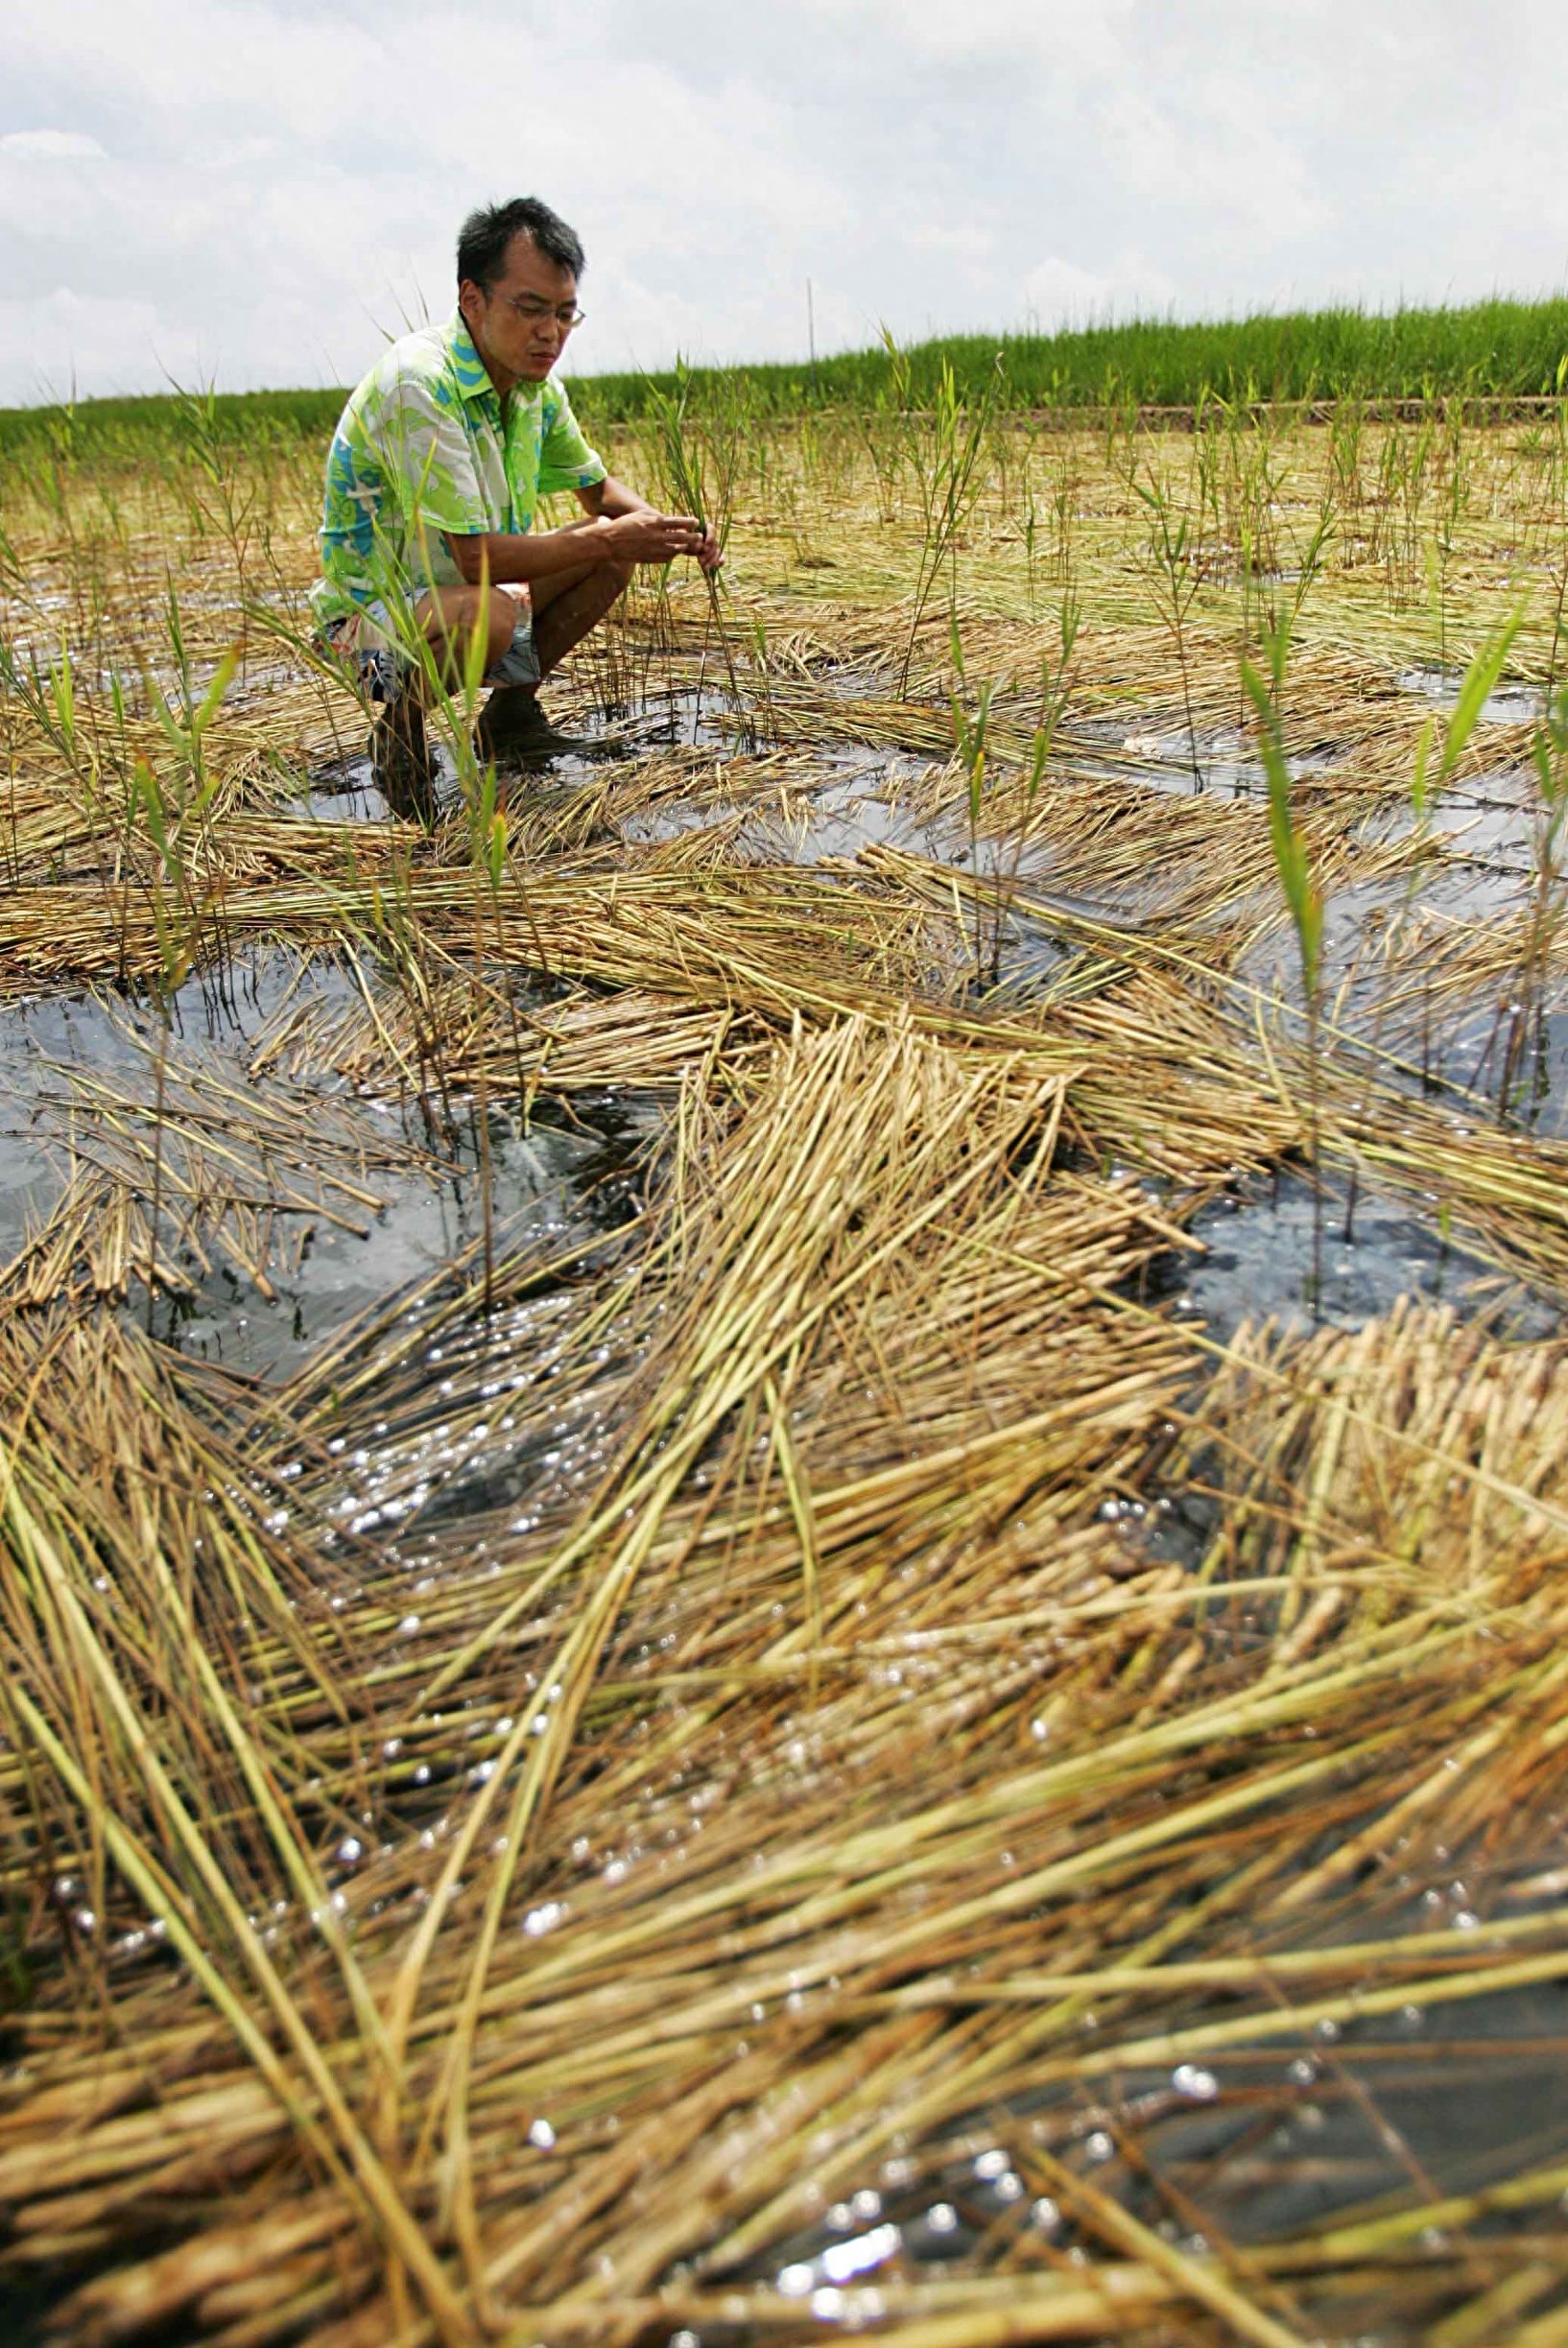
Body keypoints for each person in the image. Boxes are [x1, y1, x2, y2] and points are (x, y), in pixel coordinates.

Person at [312, 195, 719, 812]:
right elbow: (475, 561)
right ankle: (400, 733)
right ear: (471, 299)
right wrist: (611, 535)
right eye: (530, 309)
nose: (549, 333)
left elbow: (598, 492)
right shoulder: (421, 384)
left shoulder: (535, 390)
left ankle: (509, 718)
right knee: (502, 608)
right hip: (363, 633)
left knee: (606, 555)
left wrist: (666, 529)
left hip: (466, 600)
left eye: (563, 314)